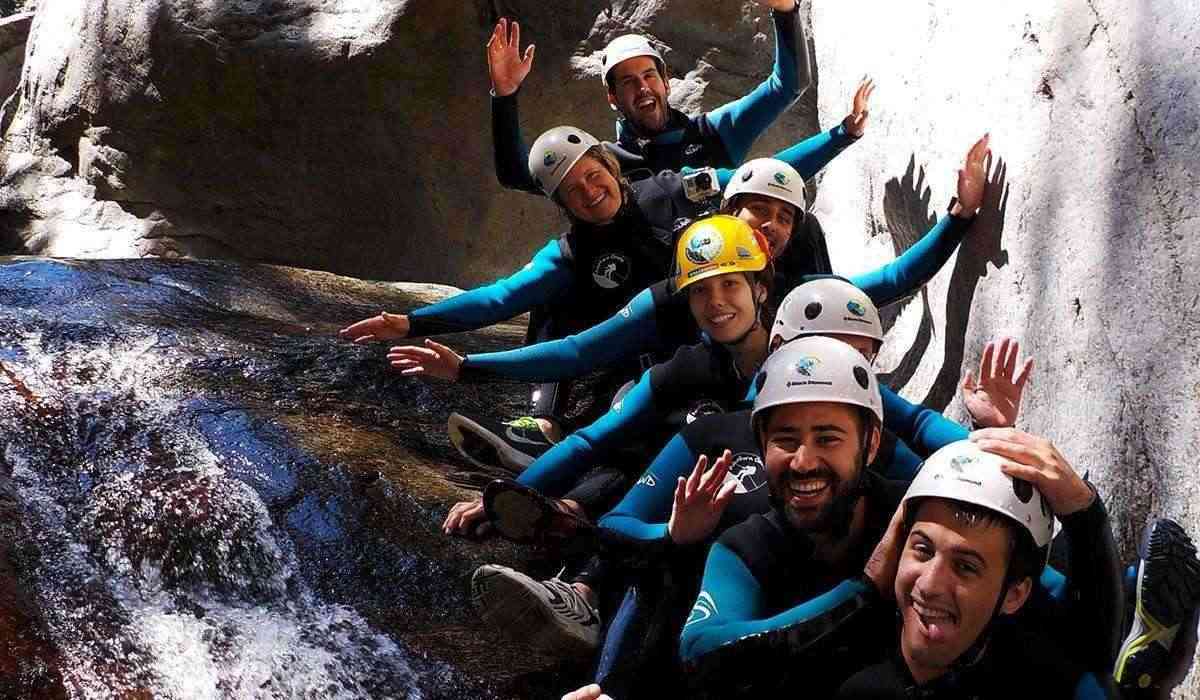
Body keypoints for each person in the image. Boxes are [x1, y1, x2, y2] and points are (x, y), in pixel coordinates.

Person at [348, 81, 876, 472]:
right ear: (559, 204)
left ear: (609, 164)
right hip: (640, 338)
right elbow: (499, 301)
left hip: (710, 326)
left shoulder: (673, 190)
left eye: (593, 174)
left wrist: (841, 136)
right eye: (573, 189)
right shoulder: (569, 254)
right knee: (571, 331)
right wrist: (415, 324)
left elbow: (764, 180)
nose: (590, 190)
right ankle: (542, 428)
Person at [388, 134, 989, 470]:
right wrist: (464, 364)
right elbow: (574, 348)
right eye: (708, 288)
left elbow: (888, 282)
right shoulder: (664, 297)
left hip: (769, 414)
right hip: (687, 391)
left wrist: (958, 217)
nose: (719, 300)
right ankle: (552, 486)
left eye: (784, 218)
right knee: (640, 429)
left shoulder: (800, 295)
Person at [486, 0, 813, 195]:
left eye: (649, 76)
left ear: (666, 84)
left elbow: (788, 85)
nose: (642, 87)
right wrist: (505, 95)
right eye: (628, 82)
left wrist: (786, 11)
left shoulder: (715, 133)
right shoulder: (604, 162)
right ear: (612, 98)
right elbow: (517, 176)